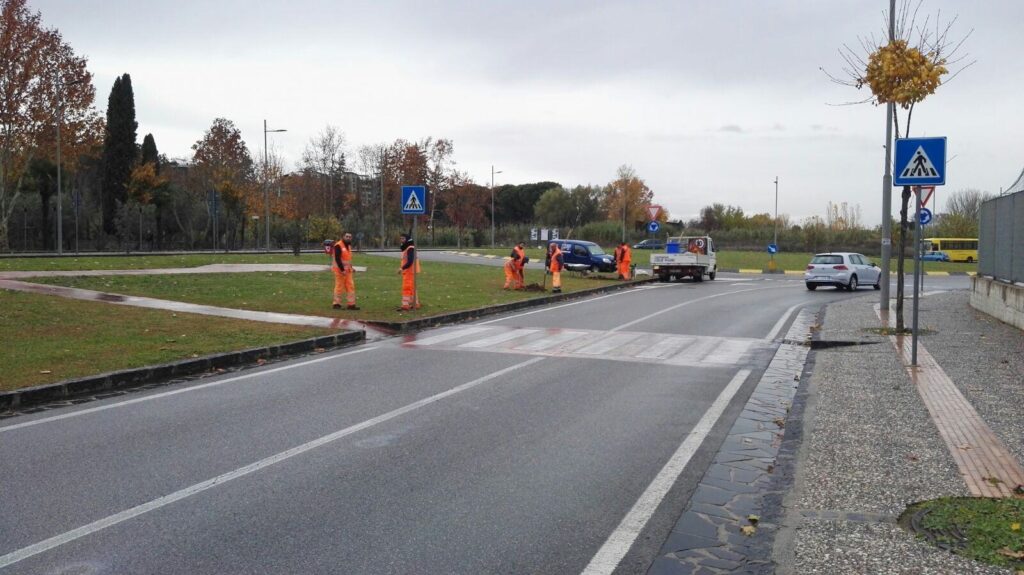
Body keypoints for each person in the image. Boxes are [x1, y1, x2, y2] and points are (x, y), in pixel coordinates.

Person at [331, 232, 359, 310]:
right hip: (340, 271)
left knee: (350, 287)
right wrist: (342, 270)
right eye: (347, 236)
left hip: (348, 271)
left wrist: (351, 268)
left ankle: (351, 305)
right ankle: (336, 304)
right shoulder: (338, 245)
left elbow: (348, 259)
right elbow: (337, 259)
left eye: (350, 237)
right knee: (339, 286)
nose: (348, 238)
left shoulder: (348, 246)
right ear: (343, 237)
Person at [397, 232, 421, 310]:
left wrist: (402, 268)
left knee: (407, 287)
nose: (401, 240)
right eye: (400, 238)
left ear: (407, 239)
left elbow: (410, 261)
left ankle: (406, 305)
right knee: (412, 287)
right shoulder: (408, 247)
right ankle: (415, 303)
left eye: (403, 238)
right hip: (410, 270)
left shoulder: (410, 248)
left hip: (409, 271)